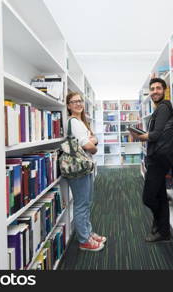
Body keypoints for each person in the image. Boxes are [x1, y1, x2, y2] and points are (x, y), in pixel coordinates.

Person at [130, 78, 173, 242]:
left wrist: (140, 136)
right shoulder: (160, 108)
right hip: (158, 158)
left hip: (158, 160)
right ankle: (164, 232)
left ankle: (160, 223)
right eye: (152, 89)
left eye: (158, 88)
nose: (155, 91)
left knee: (148, 197)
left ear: (164, 90)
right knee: (160, 196)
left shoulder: (163, 108)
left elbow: (156, 134)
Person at [66, 91, 106, 251]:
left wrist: (92, 141)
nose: (78, 104)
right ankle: (84, 240)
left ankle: (88, 233)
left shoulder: (82, 122)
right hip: (78, 168)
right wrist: (93, 146)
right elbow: (89, 144)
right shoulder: (74, 122)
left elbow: (94, 138)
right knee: (82, 203)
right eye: (74, 102)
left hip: (85, 166)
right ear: (68, 106)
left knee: (87, 202)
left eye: (80, 101)